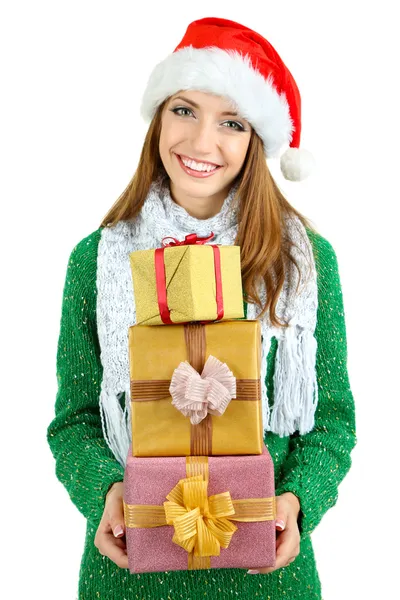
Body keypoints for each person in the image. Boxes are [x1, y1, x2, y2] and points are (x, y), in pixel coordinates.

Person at [47, 16, 357, 600]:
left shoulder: (307, 263)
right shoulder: (98, 259)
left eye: (232, 123)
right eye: (184, 110)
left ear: (256, 141)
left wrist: (297, 502)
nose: (200, 143)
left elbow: (332, 419)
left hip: (269, 581)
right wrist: (106, 492)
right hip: (129, 577)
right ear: (158, 116)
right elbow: (76, 419)